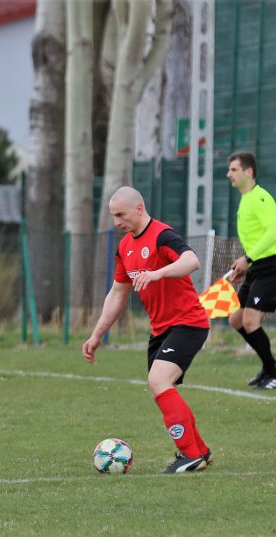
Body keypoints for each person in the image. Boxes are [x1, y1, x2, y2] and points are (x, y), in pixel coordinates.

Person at [82, 187, 212, 474]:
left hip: (188, 322)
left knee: (159, 381)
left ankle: (190, 455)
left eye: (121, 214)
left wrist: (157, 273)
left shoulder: (162, 235)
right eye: (113, 216)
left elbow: (192, 261)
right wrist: (96, 334)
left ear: (139, 208)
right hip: (161, 330)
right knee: (160, 388)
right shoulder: (124, 248)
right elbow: (117, 293)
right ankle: (200, 450)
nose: (116, 221)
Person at [226, 151, 276, 390]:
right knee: (236, 320)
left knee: (250, 321)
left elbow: (273, 233)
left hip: (271, 268)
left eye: (234, 169)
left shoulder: (260, 197)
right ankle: (270, 365)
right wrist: (246, 265)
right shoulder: (246, 199)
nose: (229, 174)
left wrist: (247, 258)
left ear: (248, 171)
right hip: (257, 268)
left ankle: (273, 374)